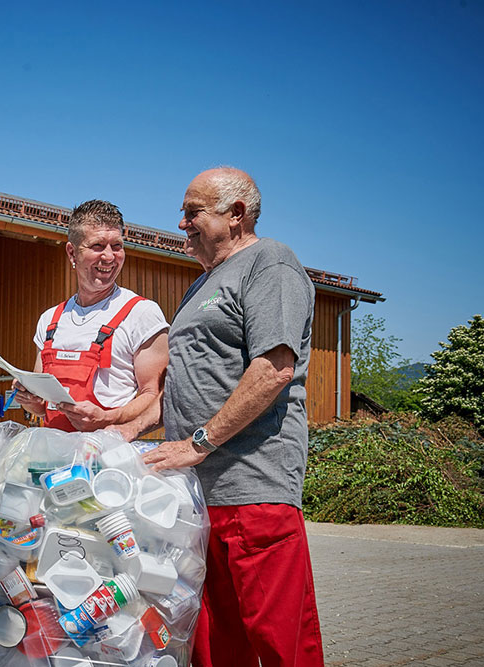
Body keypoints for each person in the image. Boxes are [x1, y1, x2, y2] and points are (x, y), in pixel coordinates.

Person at [144, 168, 324, 666]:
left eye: (192, 212)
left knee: (279, 639)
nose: (181, 223)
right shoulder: (201, 284)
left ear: (236, 214)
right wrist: (115, 425)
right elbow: (183, 385)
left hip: (253, 489)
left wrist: (198, 443)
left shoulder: (271, 264)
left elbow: (273, 369)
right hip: (199, 500)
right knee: (215, 644)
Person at [14, 199, 169, 442]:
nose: (109, 257)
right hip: (53, 457)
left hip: (108, 458)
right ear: (72, 252)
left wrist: (107, 418)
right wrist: (30, 400)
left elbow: (155, 395)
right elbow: (42, 407)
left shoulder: (141, 313)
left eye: (117, 246)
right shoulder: (50, 320)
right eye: (98, 246)